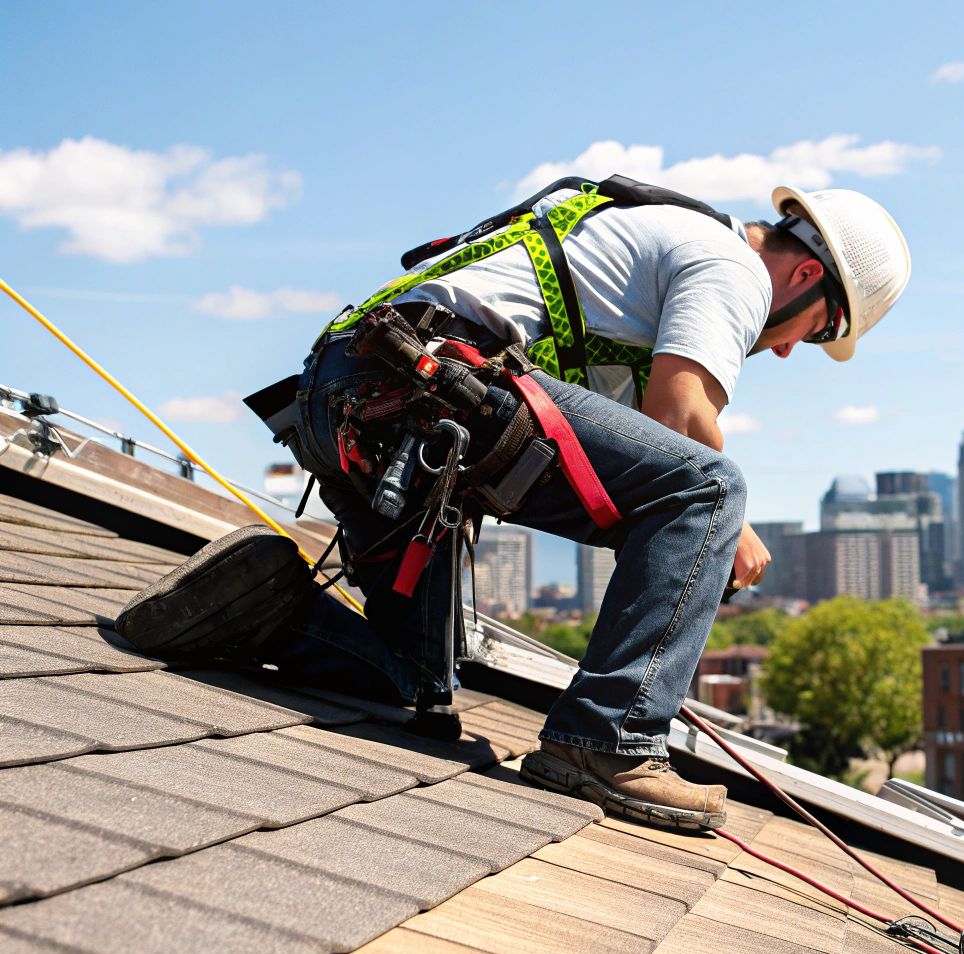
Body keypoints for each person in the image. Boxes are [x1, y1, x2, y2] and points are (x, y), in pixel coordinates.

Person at [117, 179, 911, 831]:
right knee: (712, 489)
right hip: (426, 394)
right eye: (814, 335)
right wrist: (726, 531)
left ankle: (272, 605)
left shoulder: (646, 250)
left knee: (412, 684)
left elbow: (619, 447)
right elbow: (682, 423)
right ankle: (609, 739)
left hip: (355, 406)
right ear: (808, 276)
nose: (784, 350)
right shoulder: (732, 267)